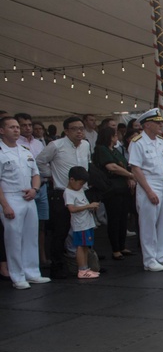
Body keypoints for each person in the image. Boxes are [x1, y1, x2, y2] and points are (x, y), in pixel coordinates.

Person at [36, 116, 92, 279]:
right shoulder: (56, 145)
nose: (79, 131)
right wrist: (51, 175)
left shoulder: (86, 145)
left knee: (82, 229)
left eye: (81, 128)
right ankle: (57, 266)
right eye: (75, 129)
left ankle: (83, 265)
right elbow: (40, 161)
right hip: (62, 192)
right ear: (66, 131)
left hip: (82, 192)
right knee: (61, 231)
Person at [129, 109, 163, 271]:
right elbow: (136, 169)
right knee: (148, 223)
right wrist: (149, 191)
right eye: (157, 123)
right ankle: (150, 259)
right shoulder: (137, 142)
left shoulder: (159, 141)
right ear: (147, 124)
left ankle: (162, 255)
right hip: (149, 183)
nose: (160, 125)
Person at [0, 115, 48, 289]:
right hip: (10, 196)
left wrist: (34, 189)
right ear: (2, 130)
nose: (16, 130)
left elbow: (35, 174)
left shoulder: (25, 150)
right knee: (13, 238)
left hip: (29, 196)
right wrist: (5, 205)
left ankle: (32, 272)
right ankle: (17, 276)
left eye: (17, 127)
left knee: (30, 236)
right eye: (12, 127)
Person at [93, 126, 135, 259]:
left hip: (122, 186)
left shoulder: (115, 151)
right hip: (112, 187)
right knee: (114, 218)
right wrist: (130, 174)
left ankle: (122, 245)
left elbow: (123, 164)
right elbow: (111, 166)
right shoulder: (102, 150)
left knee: (123, 218)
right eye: (115, 135)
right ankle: (115, 248)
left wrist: (127, 177)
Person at [63, 166, 100, 279]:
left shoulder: (80, 190)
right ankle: (82, 269)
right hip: (80, 224)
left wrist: (91, 207)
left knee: (85, 246)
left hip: (87, 222)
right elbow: (72, 209)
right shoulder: (68, 192)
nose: (81, 186)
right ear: (71, 180)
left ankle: (85, 268)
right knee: (80, 246)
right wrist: (88, 206)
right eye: (80, 183)